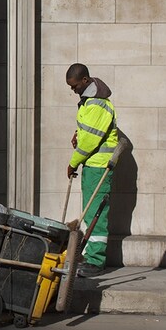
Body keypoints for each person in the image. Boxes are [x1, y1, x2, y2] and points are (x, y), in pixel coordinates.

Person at [65, 63, 119, 278]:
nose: (73, 90)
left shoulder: (96, 104)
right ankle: (90, 256)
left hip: (98, 166)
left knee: (96, 212)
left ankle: (96, 261)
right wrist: (77, 133)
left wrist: (73, 162)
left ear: (85, 81)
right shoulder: (90, 102)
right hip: (94, 165)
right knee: (91, 211)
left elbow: (89, 141)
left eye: (75, 85)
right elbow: (87, 132)